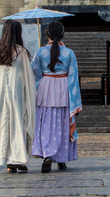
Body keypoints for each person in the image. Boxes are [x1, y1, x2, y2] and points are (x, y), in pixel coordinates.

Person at [0, 19, 36, 173]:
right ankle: (17, 158)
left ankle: (8, 160)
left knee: (5, 124)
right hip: (16, 94)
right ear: (18, 33)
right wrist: (30, 95)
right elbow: (28, 77)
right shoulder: (21, 52)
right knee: (18, 123)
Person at [31, 20, 82, 173]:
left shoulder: (40, 52)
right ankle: (61, 158)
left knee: (45, 121)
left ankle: (47, 153)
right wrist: (75, 100)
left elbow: (34, 70)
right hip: (63, 86)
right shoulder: (69, 53)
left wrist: (42, 81)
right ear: (62, 35)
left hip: (46, 86)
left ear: (47, 35)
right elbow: (73, 77)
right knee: (63, 122)